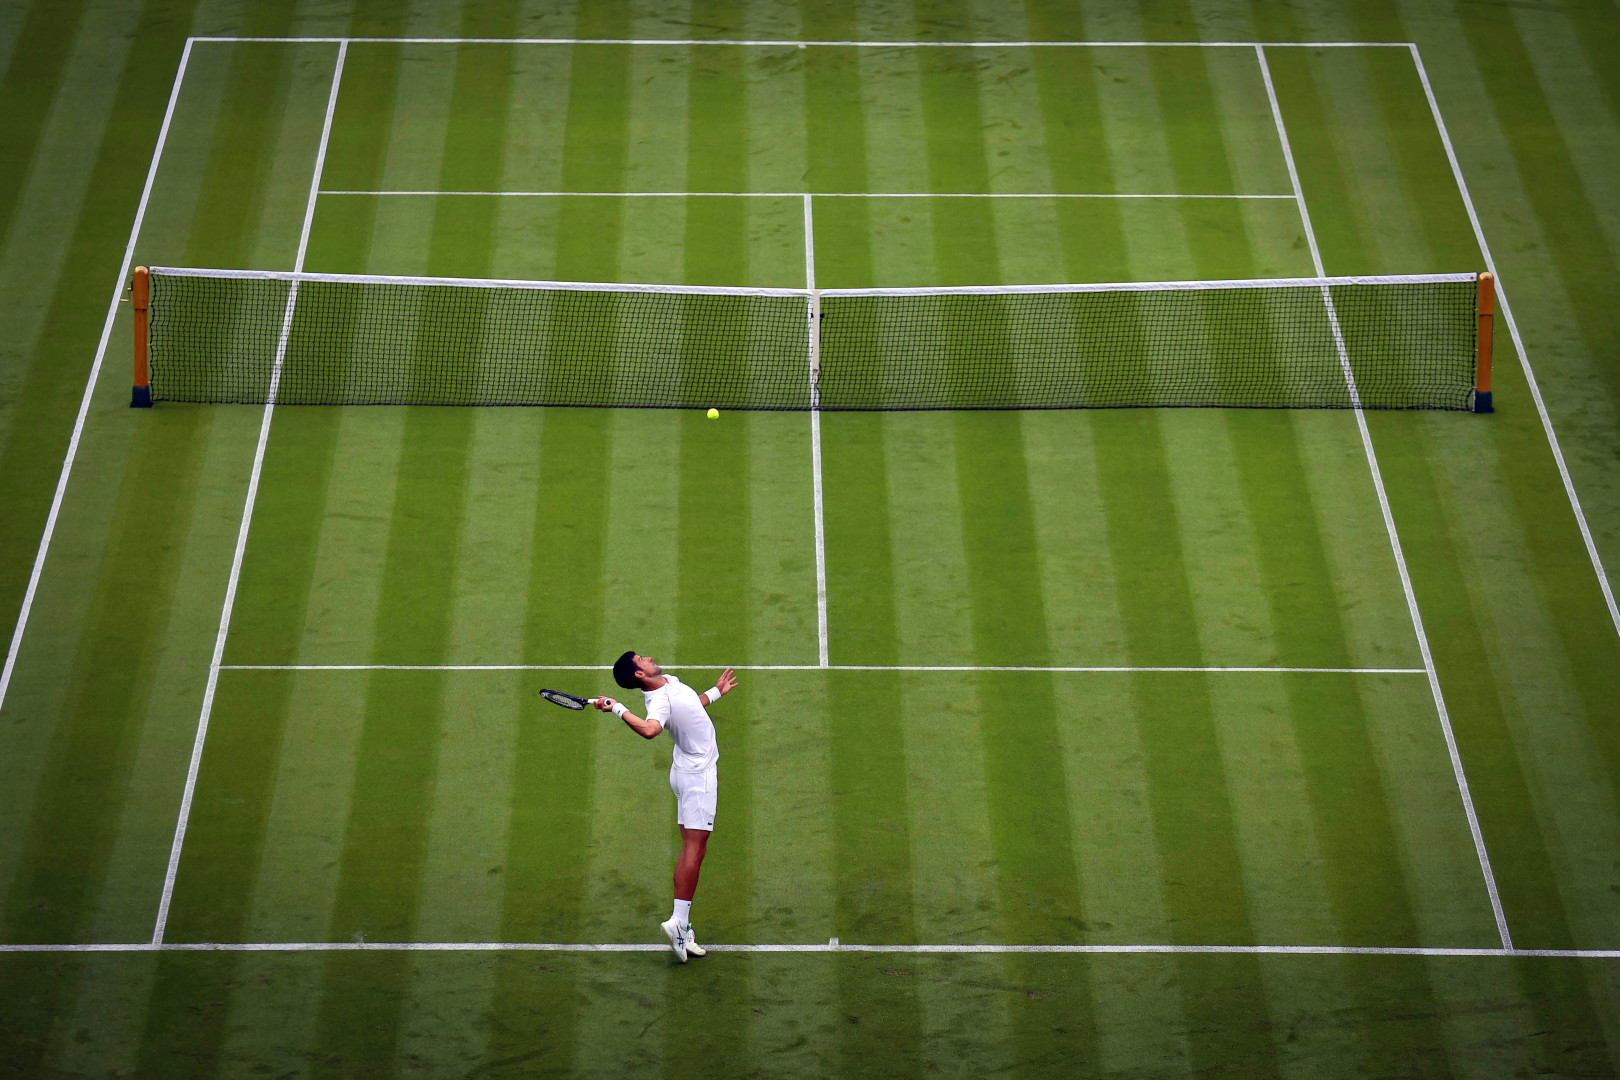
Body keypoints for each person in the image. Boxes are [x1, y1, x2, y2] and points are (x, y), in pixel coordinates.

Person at [595, 652, 737, 962]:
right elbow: (650, 730)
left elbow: (690, 708)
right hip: (697, 779)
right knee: (694, 851)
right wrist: (618, 708)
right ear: (639, 676)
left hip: (687, 771)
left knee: (694, 848)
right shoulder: (656, 701)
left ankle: (682, 926)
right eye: (640, 660)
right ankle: (677, 921)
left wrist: (715, 692)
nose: (647, 657)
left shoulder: (669, 682)